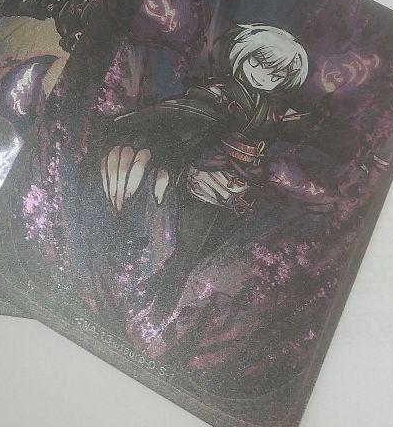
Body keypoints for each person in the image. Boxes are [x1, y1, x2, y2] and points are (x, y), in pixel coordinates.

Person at [100, 23, 334, 314]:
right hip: (205, 182)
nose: (264, 75)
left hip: (240, 195)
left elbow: (304, 127)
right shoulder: (220, 95)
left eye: (276, 75)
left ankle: (152, 292)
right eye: (258, 62)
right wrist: (134, 132)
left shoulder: (272, 111)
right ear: (243, 55)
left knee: (197, 253)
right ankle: (161, 308)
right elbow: (183, 113)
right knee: (189, 249)